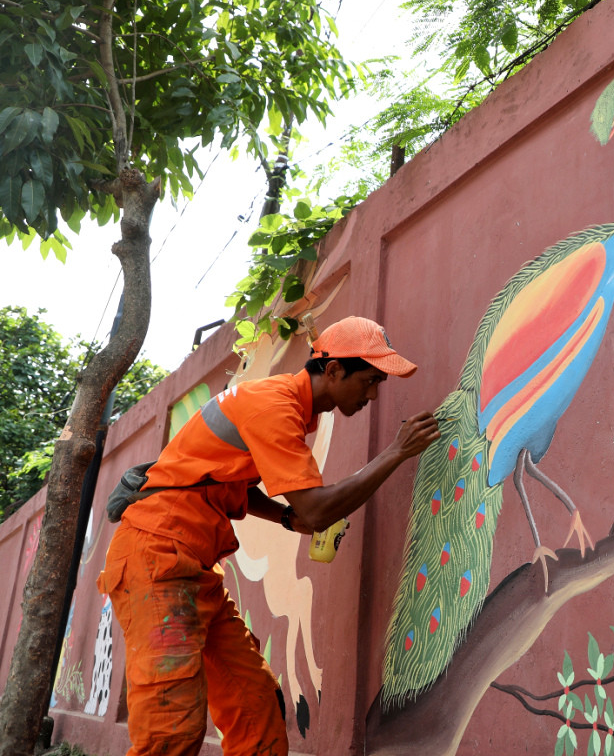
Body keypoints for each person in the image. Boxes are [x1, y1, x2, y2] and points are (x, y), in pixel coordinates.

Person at [97, 316, 440, 756]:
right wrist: (396, 453)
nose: (373, 394)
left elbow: (223, 476)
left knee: (256, 709)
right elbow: (317, 510)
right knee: (170, 730)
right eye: (370, 380)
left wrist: (283, 517)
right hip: (157, 559)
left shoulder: (285, 406)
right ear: (334, 371)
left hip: (192, 567)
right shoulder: (275, 407)